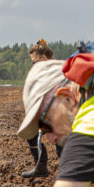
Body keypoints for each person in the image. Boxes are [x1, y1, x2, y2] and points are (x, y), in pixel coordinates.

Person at [20, 40, 59, 179]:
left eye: (34, 61)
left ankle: (70, 173)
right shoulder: (41, 73)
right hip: (47, 110)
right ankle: (40, 166)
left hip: (61, 112)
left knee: (62, 142)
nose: (33, 65)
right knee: (30, 134)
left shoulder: (56, 71)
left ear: (43, 58)